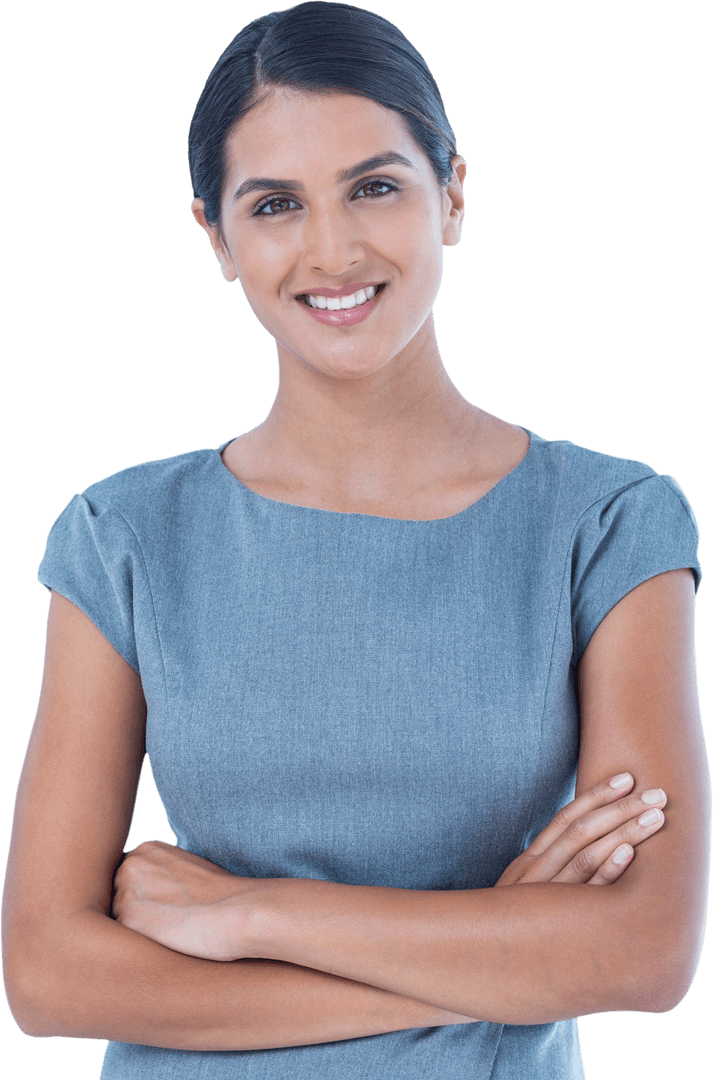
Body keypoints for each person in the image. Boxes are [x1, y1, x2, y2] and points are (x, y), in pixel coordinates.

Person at [2, 3, 709, 1078]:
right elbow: (50, 976)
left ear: (452, 197)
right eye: (275, 204)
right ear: (218, 241)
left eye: (374, 186)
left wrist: (250, 915)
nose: (330, 249)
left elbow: (642, 950)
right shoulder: (126, 537)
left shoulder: (606, 522)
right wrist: (492, 943)